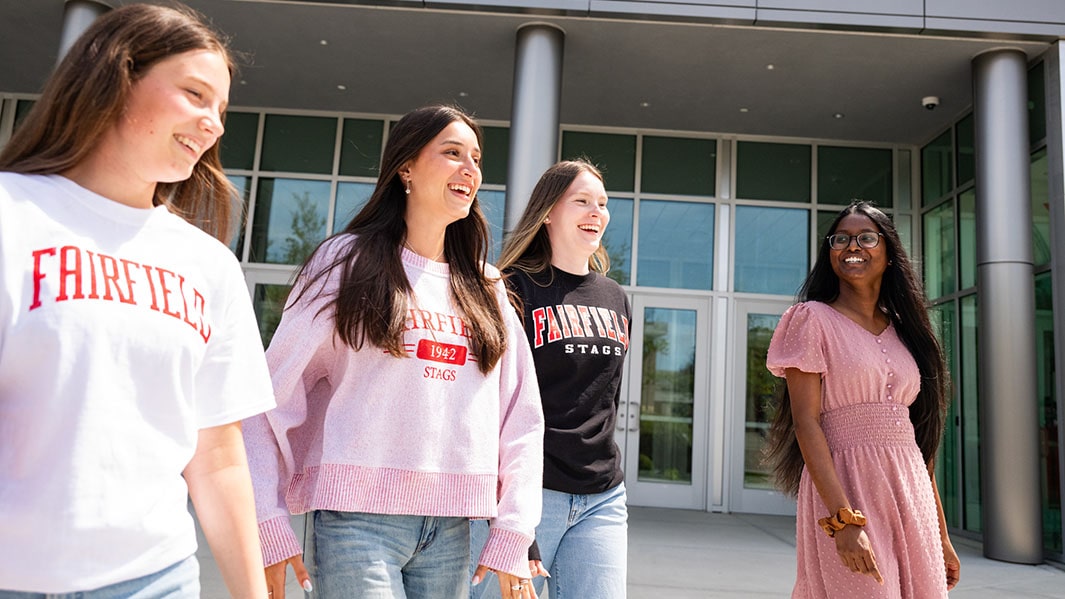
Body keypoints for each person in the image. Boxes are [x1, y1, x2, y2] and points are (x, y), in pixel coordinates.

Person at [0, 4, 275, 597]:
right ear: (117, 77)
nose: (214, 124)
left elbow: (218, 456)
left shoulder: (209, 265)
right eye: (196, 94)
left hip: (155, 580)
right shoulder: (11, 215)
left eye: (221, 109)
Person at [242, 104, 544, 599]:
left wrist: (513, 529)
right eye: (452, 153)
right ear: (405, 166)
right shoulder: (346, 262)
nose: (470, 169)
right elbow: (268, 398)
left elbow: (521, 417)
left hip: (451, 530)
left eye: (476, 157)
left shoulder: (485, 286)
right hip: (356, 524)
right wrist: (267, 524)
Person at [763, 201, 961, 597]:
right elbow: (807, 423)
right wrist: (843, 521)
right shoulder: (811, 318)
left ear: (888, 253)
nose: (852, 246)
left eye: (867, 237)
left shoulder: (908, 331)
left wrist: (941, 535)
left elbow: (921, 444)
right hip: (846, 485)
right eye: (841, 239)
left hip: (910, 491)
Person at [471, 159, 632, 598]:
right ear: (547, 211)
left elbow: (603, 399)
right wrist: (510, 523)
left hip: (601, 496)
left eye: (602, 203)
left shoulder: (615, 297)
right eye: (581, 201)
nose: (596, 212)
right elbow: (487, 405)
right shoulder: (510, 289)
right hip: (528, 493)